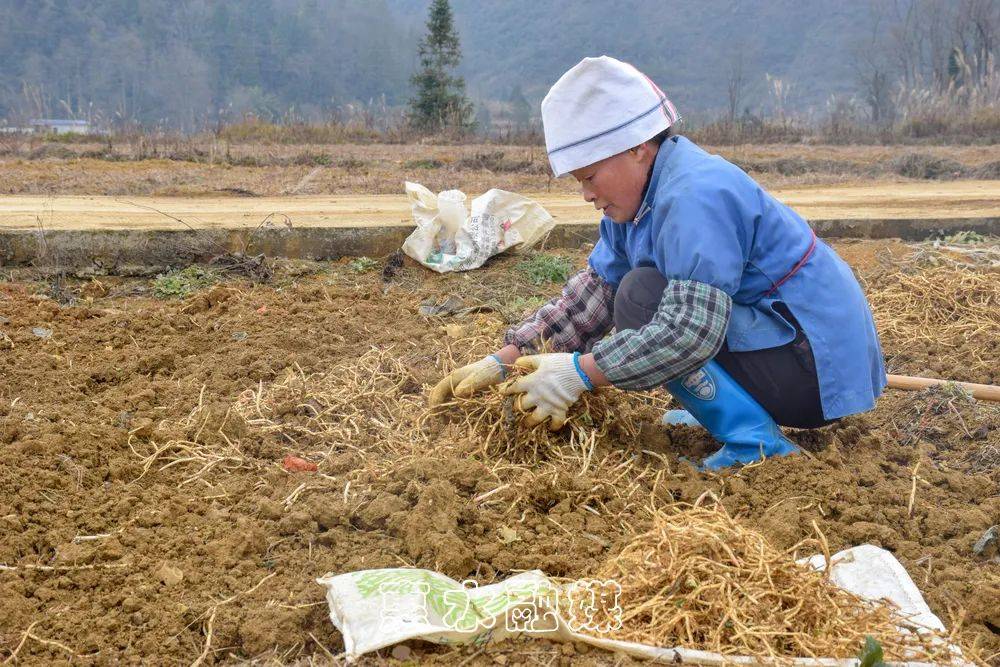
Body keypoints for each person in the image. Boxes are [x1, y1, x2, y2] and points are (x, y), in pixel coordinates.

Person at [430, 56, 887, 469]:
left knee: (642, 298)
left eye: (590, 176)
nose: (586, 194)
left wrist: (577, 374)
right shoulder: (635, 204)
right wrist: (505, 360)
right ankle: (731, 410)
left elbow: (688, 333)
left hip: (814, 367)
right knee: (631, 291)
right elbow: (592, 297)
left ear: (636, 148)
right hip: (785, 347)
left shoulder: (694, 196)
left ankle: (756, 443)